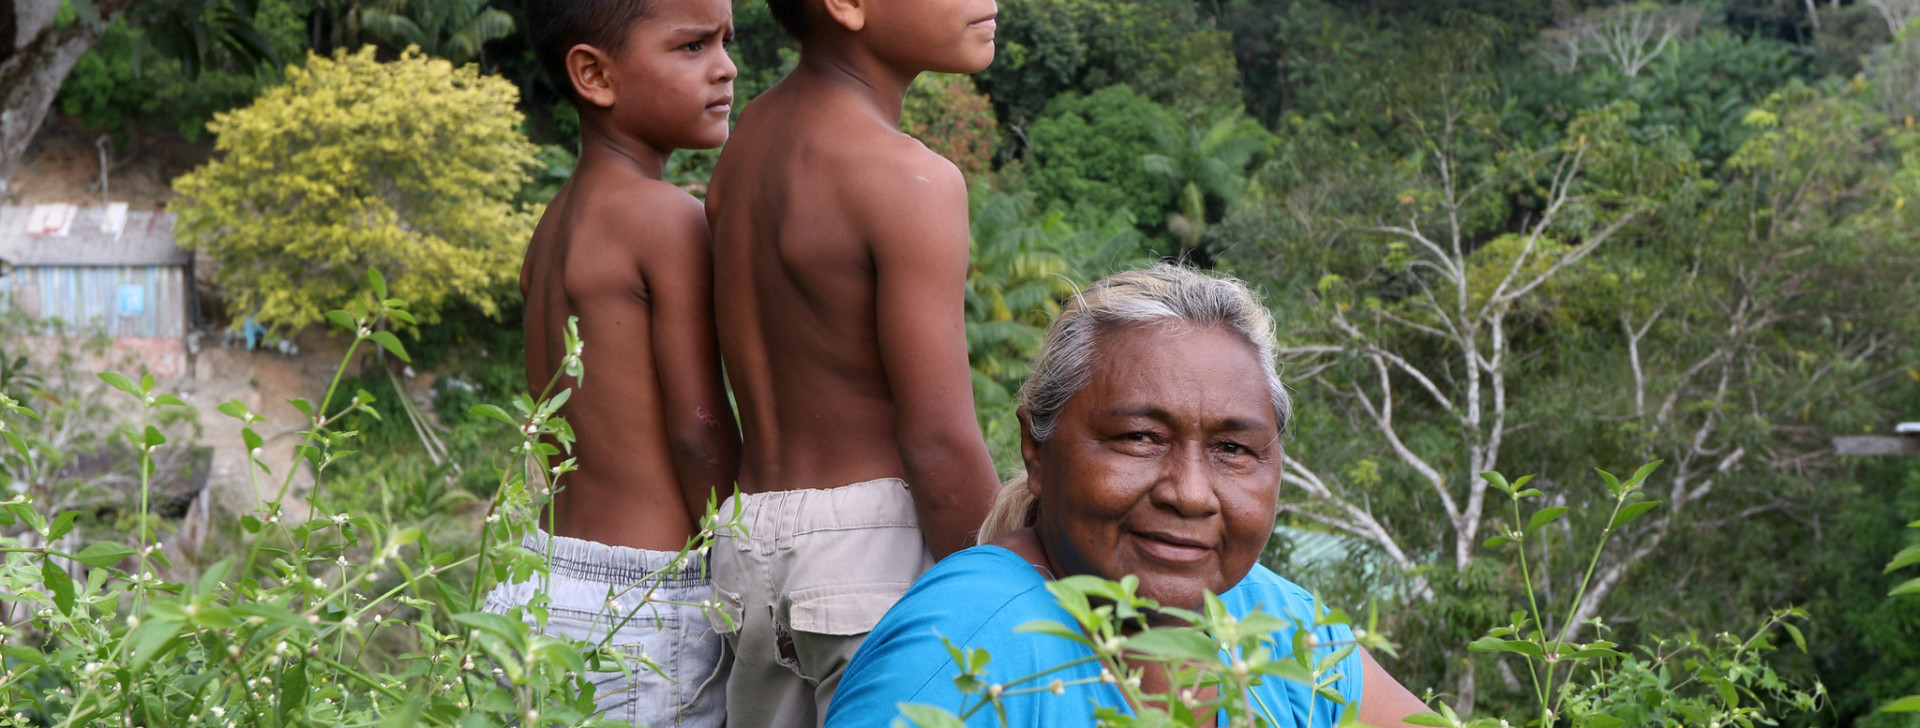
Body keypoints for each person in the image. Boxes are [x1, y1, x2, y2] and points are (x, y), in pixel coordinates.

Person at [824, 266, 1433, 727]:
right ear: (1036, 450)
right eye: (1140, 438)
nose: (1191, 494)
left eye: (1233, 449)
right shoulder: (967, 646)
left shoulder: (1282, 626)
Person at [702, 0, 1004, 725]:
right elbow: (938, 441)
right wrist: (1004, 584)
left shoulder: (747, 146)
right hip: (871, 559)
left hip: (745, 550)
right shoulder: (907, 179)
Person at [483, 1, 741, 726]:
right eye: (691, 46)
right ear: (594, 75)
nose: (724, 66)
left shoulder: (553, 226)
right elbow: (697, 427)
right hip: (645, 601)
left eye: (726, 41)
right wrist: (748, 561)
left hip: (540, 585)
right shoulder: (667, 218)